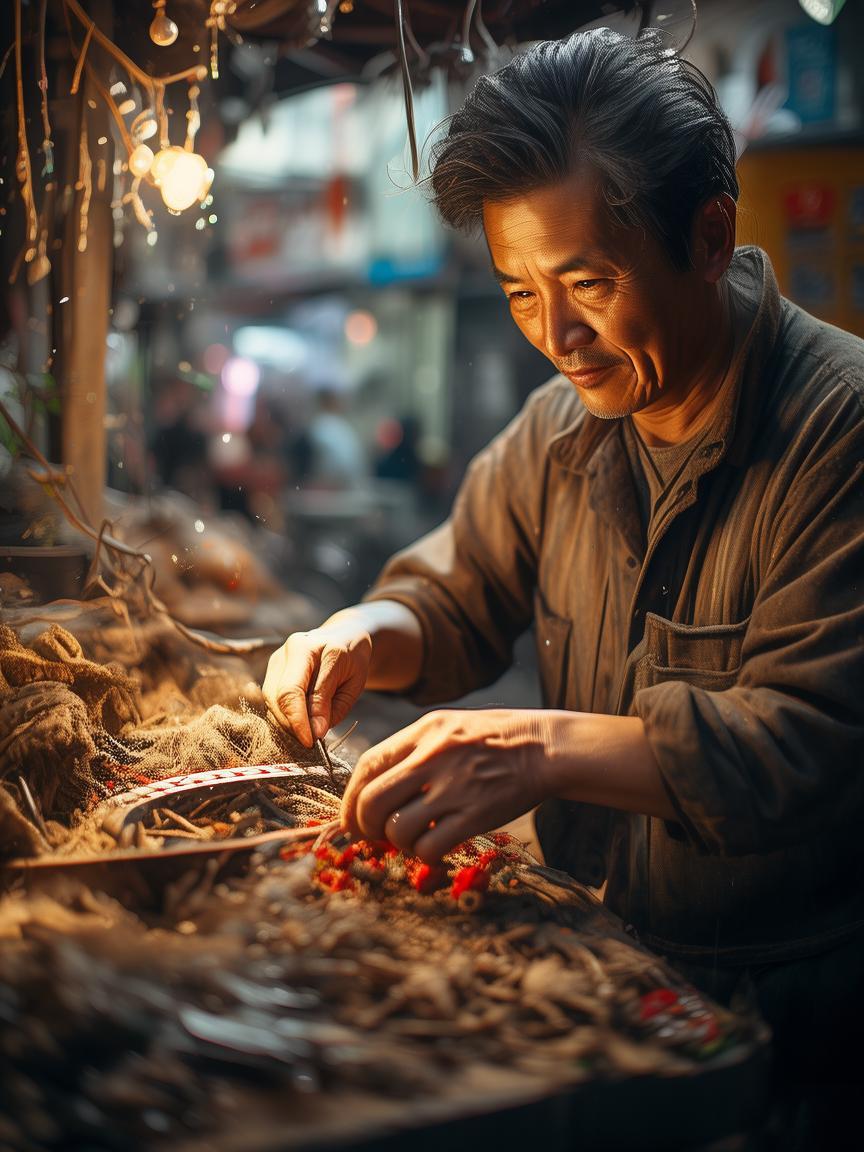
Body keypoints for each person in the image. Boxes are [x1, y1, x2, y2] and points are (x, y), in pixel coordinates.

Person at [263, 28, 864, 1148]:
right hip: (600, 974)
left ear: (709, 233)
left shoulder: (842, 432)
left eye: (589, 283)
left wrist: (533, 752)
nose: (559, 337)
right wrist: (359, 631)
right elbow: (453, 596)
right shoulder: (559, 432)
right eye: (521, 292)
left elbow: (804, 743)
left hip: (794, 1031)